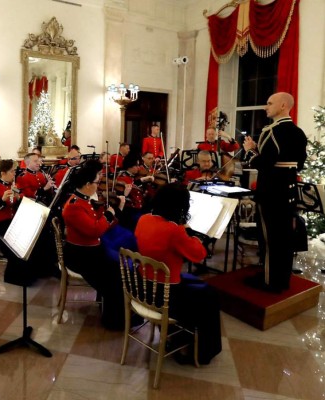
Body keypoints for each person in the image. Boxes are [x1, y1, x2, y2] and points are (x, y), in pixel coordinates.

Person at [135, 183, 222, 364]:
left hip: (143, 287)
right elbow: (198, 255)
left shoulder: (143, 219)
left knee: (199, 288)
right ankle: (202, 352)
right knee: (210, 298)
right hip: (165, 295)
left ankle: (178, 337)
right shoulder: (174, 230)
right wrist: (194, 237)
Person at [243, 92, 308, 293]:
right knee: (284, 237)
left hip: (271, 192)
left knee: (270, 238)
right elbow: (300, 163)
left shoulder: (273, 131)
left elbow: (265, 164)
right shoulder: (298, 132)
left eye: (269, 103)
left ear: (282, 105)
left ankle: (270, 281)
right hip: (288, 189)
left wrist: (250, 151)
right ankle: (282, 279)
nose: (266, 107)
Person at [62, 160, 127, 330]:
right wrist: (109, 213)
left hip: (91, 250)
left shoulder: (83, 200)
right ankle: (114, 321)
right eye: (97, 182)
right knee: (115, 279)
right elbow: (95, 231)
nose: (99, 185)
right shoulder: (74, 206)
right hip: (80, 255)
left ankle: (112, 310)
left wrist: (116, 210)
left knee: (119, 270)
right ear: (87, 184)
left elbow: (100, 225)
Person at [0, 159, 37, 286]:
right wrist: (1, 201)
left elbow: (19, 202)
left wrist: (18, 198)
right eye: (12, 171)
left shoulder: (13, 185)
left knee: (30, 242)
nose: (14, 174)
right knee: (15, 250)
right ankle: (13, 277)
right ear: (3, 173)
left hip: (11, 223)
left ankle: (32, 272)